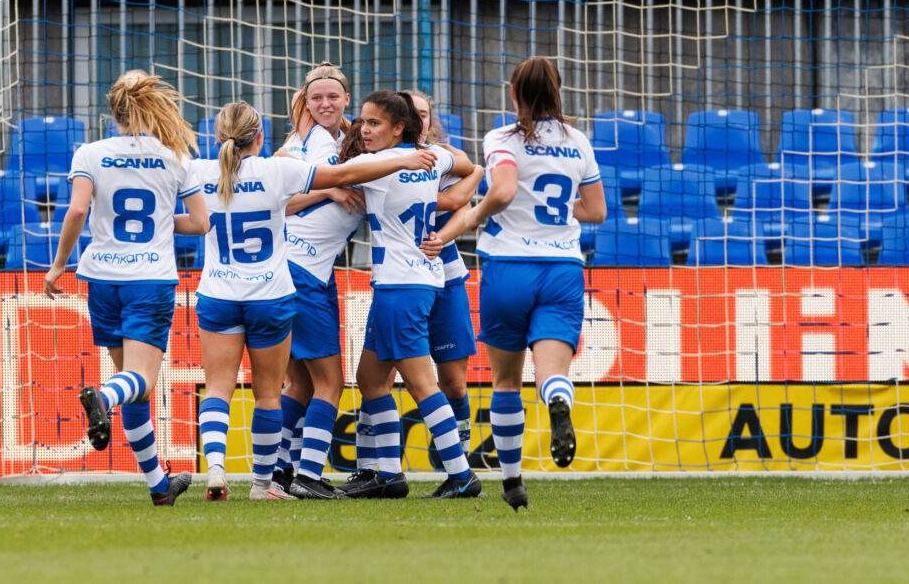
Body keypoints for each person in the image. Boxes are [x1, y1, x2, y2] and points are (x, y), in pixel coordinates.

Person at [192, 100, 437, 502]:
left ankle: (223, 467)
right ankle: (279, 480)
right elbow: (343, 172)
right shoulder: (280, 169)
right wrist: (403, 160)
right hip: (274, 291)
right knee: (288, 389)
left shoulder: (200, 171)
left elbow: (190, 220)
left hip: (219, 292)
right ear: (259, 138)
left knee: (231, 387)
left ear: (218, 139)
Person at [44, 69, 210, 506]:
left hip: (101, 277)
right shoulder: (176, 156)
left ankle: (159, 486)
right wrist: (159, 221)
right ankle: (101, 396)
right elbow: (200, 222)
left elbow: (78, 210)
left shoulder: (91, 152)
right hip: (149, 280)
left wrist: (59, 264)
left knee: (134, 382)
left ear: (113, 110)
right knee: (138, 379)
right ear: (155, 107)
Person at [458, 56, 606, 511]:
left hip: (508, 267)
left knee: (505, 381)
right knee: (551, 374)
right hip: (562, 267)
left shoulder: (501, 138)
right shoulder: (577, 141)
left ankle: (512, 481)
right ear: (558, 91)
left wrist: (478, 214)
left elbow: (501, 191)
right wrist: (562, 213)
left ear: (514, 94)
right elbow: (596, 211)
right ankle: (559, 401)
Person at [335, 90, 482, 500]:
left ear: (399, 127)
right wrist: (423, 154)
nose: (363, 130)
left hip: (401, 285)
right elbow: (471, 166)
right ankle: (389, 473)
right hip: (417, 280)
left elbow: (327, 176)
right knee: (369, 378)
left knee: (422, 384)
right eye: (361, 121)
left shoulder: (372, 165)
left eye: (374, 123)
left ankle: (461, 475)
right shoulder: (430, 158)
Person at [273, 63, 366, 500]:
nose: (325, 104)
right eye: (317, 98)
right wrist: (329, 189)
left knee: (302, 385)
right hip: (300, 271)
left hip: (313, 272)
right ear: (306, 102)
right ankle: (307, 476)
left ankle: (278, 477)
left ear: (346, 98)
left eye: (333, 96)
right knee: (331, 383)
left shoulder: (350, 143)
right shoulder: (301, 144)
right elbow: (278, 204)